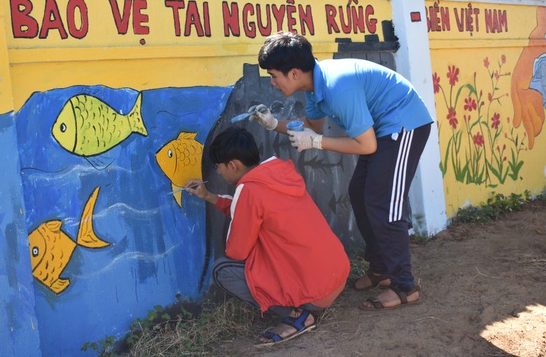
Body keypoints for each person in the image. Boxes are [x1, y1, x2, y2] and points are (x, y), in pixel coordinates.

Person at [249, 32, 434, 311]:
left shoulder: (337, 87)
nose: (273, 83)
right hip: (383, 130)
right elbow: (313, 126)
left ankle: (405, 286)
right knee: (360, 194)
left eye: (275, 76)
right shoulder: (315, 88)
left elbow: (365, 144)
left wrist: (316, 143)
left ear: (295, 72)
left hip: (404, 124)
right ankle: (382, 270)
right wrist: (274, 123)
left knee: (384, 202)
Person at [184, 126, 350, 345]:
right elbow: (250, 208)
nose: (219, 173)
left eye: (219, 167)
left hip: (314, 294)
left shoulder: (249, 189)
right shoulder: (278, 173)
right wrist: (210, 197)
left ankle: (296, 316)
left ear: (233, 165)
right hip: (336, 277)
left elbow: (237, 251)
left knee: (222, 270)